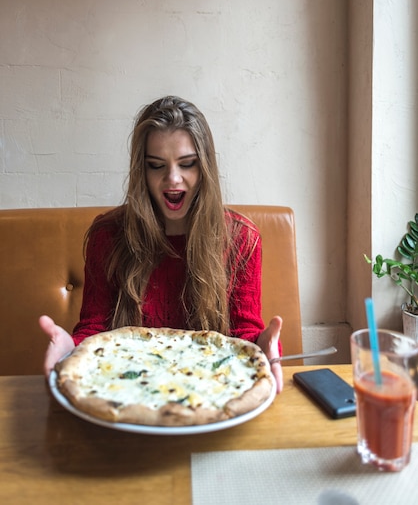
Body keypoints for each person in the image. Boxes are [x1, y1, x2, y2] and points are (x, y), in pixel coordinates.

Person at [39, 96, 283, 392]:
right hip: (127, 392)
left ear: (205, 167)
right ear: (141, 171)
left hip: (210, 391)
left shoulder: (242, 239)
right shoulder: (107, 235)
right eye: (156, 166)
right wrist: (71, 346)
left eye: (187, 164)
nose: (173, 179)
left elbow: (244, 335)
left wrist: (264, 345)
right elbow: (95, 330)